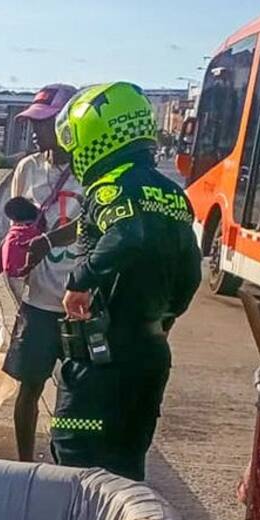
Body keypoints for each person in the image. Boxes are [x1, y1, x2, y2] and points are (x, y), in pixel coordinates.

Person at [50, 81, 202, 480]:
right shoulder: (172, 194)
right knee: (128, 461)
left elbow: (128, 233)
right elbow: (191, 275)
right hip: (150, 354)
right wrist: (163, 321)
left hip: (102, 357)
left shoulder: (110, 188)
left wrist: (80, 281)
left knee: (74, 454)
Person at [0, 83, 80, 462]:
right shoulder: (27, 169)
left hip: (81, 304)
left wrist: (49, 242)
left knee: (80, 397)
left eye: (46, 123)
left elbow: (90, 227)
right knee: (29, 390)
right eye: (34, 124)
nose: (37, 131)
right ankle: (27, 465)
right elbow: (14, 239)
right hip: (38, 301)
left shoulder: (91, 173)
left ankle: (71, 461)